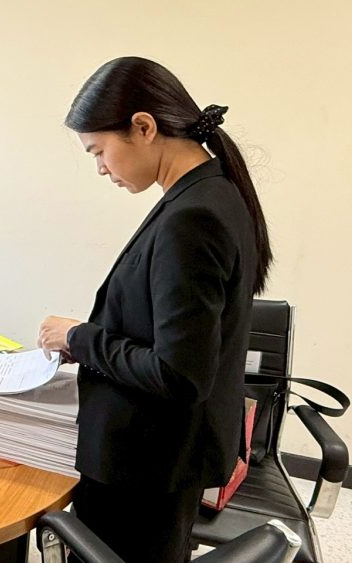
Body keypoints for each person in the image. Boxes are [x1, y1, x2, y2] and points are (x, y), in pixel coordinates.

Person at [37, 57, 272, 563]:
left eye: (99, 151)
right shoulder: (212, 191)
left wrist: (79, 337)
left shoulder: (194, 217)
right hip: (167, 455)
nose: (101, 168)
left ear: (143, 127)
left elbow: (179, 375)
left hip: (148, 463)